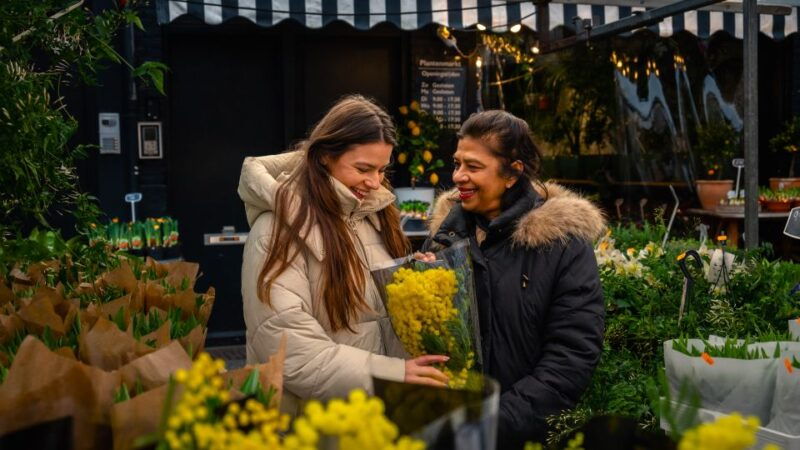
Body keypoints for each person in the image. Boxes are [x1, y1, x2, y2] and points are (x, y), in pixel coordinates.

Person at [238, 95, 448, 415]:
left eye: (381, 170)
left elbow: (374, 315)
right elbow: (288, 350)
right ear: (324, 157)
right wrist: (392, 374)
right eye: (363, 168)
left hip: (374, 417)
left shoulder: (376, 216)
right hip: (313, 425)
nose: (374, 182)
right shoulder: (275, 230)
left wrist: (411, 279)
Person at [423, 110, 606, 448]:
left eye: (473, 167)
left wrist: (492, 423)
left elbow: (571, 356)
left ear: (512, 174)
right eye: (457, 163)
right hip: (444, 429)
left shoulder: (561, 245)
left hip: (518, 435)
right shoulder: (445, 237)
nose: (459, 176)